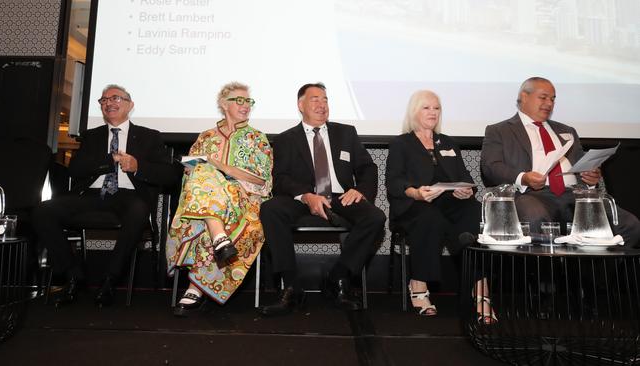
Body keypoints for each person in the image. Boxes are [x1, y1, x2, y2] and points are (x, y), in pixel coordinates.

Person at [33, 84, 178, 307]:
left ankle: (110, 279)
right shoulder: (91, 136)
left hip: (128, 196)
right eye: (103, 100)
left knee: (139, 209)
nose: (109, 103)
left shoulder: (149, 137)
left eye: (115, 98)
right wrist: (107, 162)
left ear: (130, 105)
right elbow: (76, 169)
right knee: (43, 210)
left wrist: (137, 165)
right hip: (91, 195)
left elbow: (169, 175)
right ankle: (72, 275)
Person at [258, 82, 386, 316]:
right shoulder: (286, 139)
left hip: (340, 197)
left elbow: (368, 168)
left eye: (325, 99)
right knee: (270, 209)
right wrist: (307, 196)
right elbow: (281, 179)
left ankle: (339, 277)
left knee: (375, 217)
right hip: (302, 199)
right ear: (301, 105)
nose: (322, 104)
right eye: (315, 99)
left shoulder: (346, 133)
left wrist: (361, 191)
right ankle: (291, 287)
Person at [481, 76, 640, 247]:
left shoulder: (567, 130)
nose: (549, 103)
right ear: (524, 97)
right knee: (535, 216)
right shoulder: (499, 130)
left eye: (552, 99)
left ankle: (595, 272)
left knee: (629, 225)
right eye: (543, 97)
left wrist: (591, 176)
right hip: (532, 195)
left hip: (575, 196)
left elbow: (583, 164)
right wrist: (524, 177)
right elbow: (491, 167)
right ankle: (541, 274)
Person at [386, 90, 495, 322]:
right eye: (426, 107)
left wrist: (466, 190)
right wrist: (415, 192)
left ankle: (481, 289)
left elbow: (465, 177)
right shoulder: (401, 144)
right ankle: (418, 282)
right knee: (430, 217)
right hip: (414, 205)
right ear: (414, 111)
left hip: (449, 203)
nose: (433, 112)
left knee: (474, 211)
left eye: (436, 108)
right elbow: (394, 182)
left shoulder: (447, 143)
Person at [166, 82, 273, 316]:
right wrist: (194, 169)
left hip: (243, 202)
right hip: (204, 200)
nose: (245, 106)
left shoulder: (257, 138)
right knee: (202, 175)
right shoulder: (206, 137)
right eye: (239, 100)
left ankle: (195, 285)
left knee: (207, 182)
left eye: (249, 101)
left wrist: (219, 166)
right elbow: (190, 172)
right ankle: (220, 239)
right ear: (224, 104)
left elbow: (261, 180)